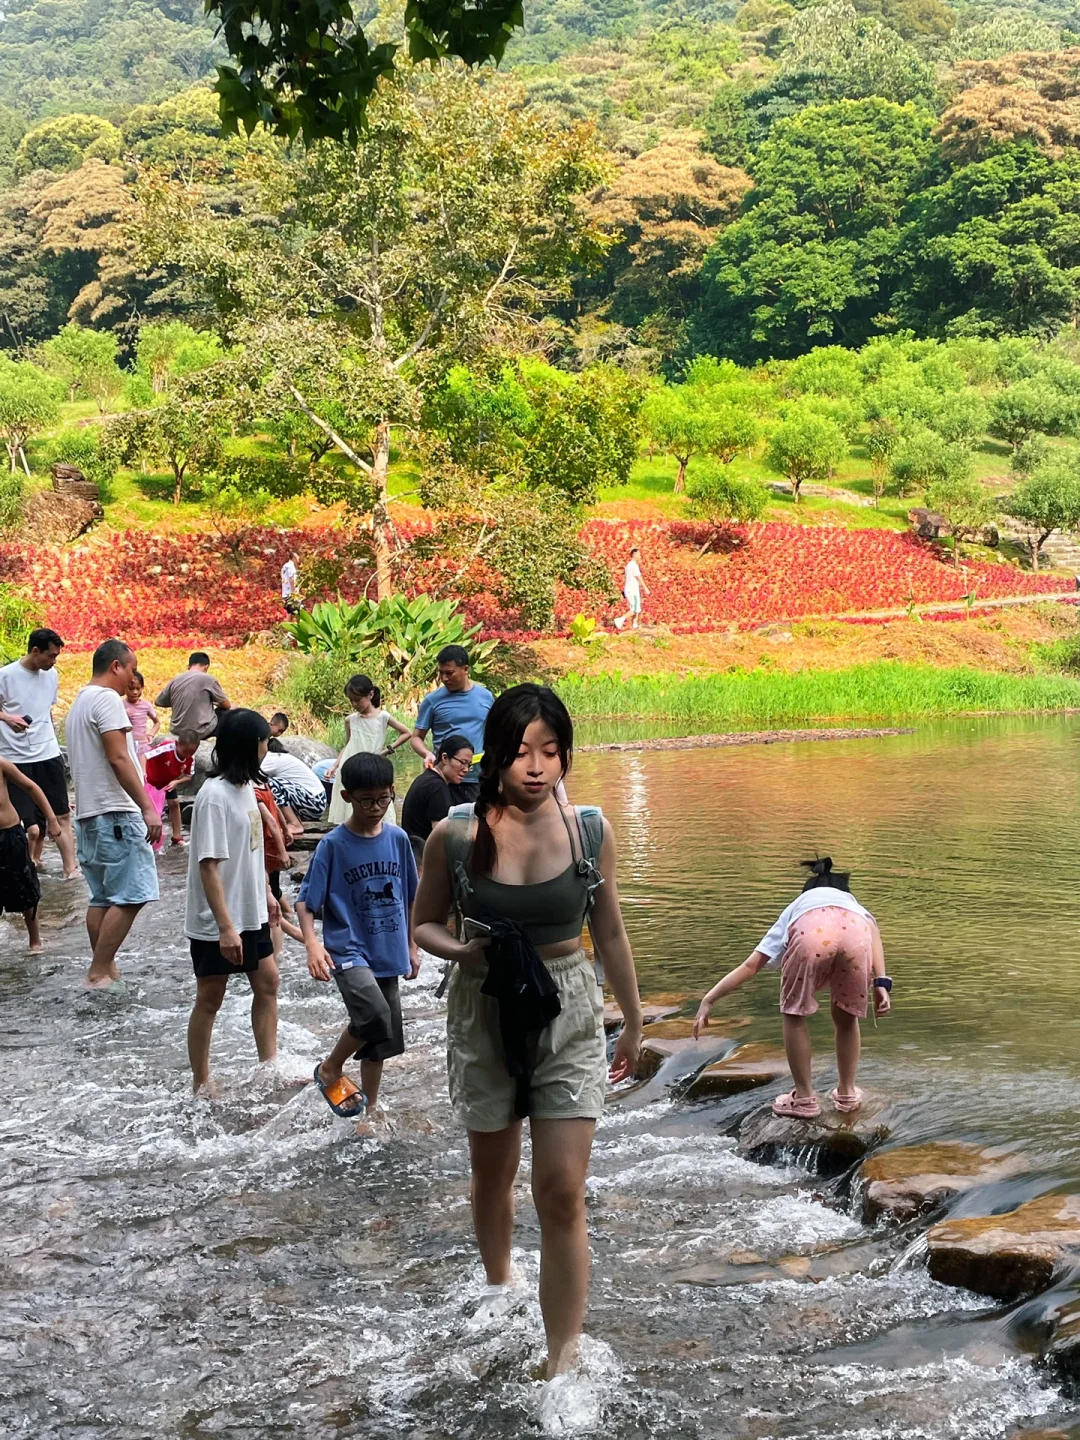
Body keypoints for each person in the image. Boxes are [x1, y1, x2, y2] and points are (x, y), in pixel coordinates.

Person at [412, 684, 643, 1380]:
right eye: (520, 754)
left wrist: (631, 1018)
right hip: (484, 1003)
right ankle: (498, 1280)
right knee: (495, 1171)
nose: (536, 768)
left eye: (550, 752)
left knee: (562, 1189)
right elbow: (422, 923)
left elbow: (608, 929)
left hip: (569, 1004)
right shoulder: (454, 836)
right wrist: (459, 950)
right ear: (495, 758)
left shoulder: (590, 832)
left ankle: (562, 1358)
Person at [693, 857, 892, 1117]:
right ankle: (847, 1093)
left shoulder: (799, 907)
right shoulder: (854, 907)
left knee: (794, 1014)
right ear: (844, 891)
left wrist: (709, 999)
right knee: (846, 1018)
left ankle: (805, 1099)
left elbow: (751, 966)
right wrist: (881, 983)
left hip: (812, 933)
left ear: (807, 891)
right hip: (857, 936)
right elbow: (873, 934)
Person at [298, 752, 420, 1119]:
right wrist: (312, 945)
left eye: (384, 799)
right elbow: (305, 904)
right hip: (347, 950)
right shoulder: (333, 845)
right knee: (374, 1015)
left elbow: (412, 895)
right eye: (366, 800)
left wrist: (413, 946)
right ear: (347, 796)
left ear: (393, 792)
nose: (376, 807)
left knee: (380, 1038)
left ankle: (370, 1111)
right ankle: (330, 1067)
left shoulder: (397, 839)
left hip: (389, 949)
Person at [184, 709, 281, 1094]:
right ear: (248, 746)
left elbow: (252, 851)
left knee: (269, 982)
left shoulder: (245, 790)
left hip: (251, 909)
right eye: (263, 742)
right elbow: (209, 867)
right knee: (211, 996)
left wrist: (269, 895)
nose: (266, 749)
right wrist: (225, 927)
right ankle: (201, 1080)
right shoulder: (213, 797)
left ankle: (268, 1066)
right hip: (217, 919)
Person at [66, 639, 162, 989]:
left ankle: (106, 970)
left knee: (103, 897)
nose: (133, 678)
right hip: (115, 812)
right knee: (134, 894)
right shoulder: (107, 700)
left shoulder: (79, 702)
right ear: (116, 667)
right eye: (132, 669)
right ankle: (98, 969)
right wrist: (148, 808)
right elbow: (119, 757)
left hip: (89, 814)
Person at [0, 626, 78, 879]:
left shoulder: (51, 675)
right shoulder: (6, 676)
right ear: (36, 650)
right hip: (14, 756)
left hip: (48, 753)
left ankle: (70, 870)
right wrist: (7, 718)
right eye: (51, 655)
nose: (54, 661)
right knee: (23, 824)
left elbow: (48, 710)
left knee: (62, 813)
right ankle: (22, 870)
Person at [326, 674, 412, 826]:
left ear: (370, 694)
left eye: (358, 700)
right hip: (350, 766)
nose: (354, 704)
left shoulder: (382, 717)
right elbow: (348, 744)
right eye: (351, 700)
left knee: (377, 799)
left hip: (372, 766)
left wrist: (387, 751)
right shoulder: (350, 720)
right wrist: (335, 766)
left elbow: (407, 733)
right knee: (351, 803)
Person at [408, 646, 493, 798]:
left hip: (478, 777)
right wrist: (427, 753)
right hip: (444, 778)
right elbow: (416, 738)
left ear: (465, 669)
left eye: (449, 673)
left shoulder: (486, 697)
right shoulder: (432, 701)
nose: (444, 678)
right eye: (441, 672)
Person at [0, 757, 61, 953]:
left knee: (26, 888)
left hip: (9, 834)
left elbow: (31, 788)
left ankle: (35, 940)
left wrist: (52, 819)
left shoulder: (1, 764)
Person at [400, 732, 474, 862]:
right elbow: (441, 836)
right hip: (422, 857)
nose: (466, 769)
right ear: (445, 758)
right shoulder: (437, 787)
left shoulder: (427, 778)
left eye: (469, 765)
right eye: (462, 762)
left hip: (412, 851)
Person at [155, 653, 232, 741]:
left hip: (177, 730)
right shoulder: (208, 679)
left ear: (189, 667)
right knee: (229, 711)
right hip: (200, 731)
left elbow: (159, 702)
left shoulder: (176, 679)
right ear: (206, 667)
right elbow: (226, 705)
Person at [144, 730, 200, 849]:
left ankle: (176, 837)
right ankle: (145, 834)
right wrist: (143, 774)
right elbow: (144, 756)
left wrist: (176, 782)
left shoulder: (190, 758)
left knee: (174, 803)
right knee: (149, 809)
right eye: (185, 751)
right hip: (149, 780)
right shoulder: (167, 748)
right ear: (177, 744)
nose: (188, 755)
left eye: (192, 752)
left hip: (167, 782)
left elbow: (188, 776)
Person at [261, 739, 327, 837]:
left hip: (315, 802)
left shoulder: (271, 758)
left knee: (272, 783)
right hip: (316, 802)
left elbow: (253, 779)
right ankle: (294, 820)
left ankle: (294, 824)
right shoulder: (281, 757)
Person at [124, 671, 160, 769]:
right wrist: (124, 715)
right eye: (131, 689)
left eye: (138, 689)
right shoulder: (121, 706)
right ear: (124, 688)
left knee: (143, 771)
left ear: (142, 688)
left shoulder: (146, 706)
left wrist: (151, 734)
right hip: (128, 745)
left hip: (143, 745)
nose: (135, 692)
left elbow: (157, 722)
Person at [613, 546, 648, 631]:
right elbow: (638, 577)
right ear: (634, 555)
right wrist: (645, 588)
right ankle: (620, 619)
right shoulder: (633, 565)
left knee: (636, 608)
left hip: (630, 589)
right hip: (633, 590)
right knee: (634, 609)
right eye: (639, 554)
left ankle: (635, 625)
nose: (640, 556)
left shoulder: (628, 566)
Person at [281, 550, 301, 615]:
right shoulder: (291, 566)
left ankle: (287, 624)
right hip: (291, 594)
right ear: (294, 557)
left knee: (290, 612)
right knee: (298, 612)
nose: (299, 558)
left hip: (285, 593)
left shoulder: (285, 566)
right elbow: (292, 579)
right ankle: (299, 624)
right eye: (298, 557)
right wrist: (294, 593)